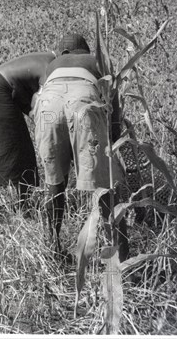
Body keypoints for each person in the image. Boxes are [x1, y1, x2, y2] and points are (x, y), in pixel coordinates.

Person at [33, 33, 129, 262]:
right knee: (105, 185)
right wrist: (112, 142)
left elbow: (39, 97)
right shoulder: (97, 61)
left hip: (47, 106)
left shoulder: (53, 65)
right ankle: (123, 258)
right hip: (83, 102)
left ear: (64, 53)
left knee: (54, 181)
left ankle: (53, 246)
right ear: (85, 51)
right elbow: (112, 104)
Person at [0, 51, 56, 209]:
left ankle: (7, 202)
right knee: (11, 147)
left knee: (1, 146)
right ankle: (18, 205)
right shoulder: (51, 67)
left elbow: (28, 99)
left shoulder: (47, 59)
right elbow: (45, 103)